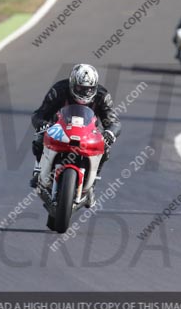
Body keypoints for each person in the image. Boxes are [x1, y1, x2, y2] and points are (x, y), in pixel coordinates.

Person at [29, 63, 121, 206]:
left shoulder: (102, 96)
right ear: (72, 84)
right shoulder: (59, 90)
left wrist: (110, 132)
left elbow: (113, 121)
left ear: (94, 87)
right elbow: (40, 113)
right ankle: (39, 170)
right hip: (60, 128)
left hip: (88, 132)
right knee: (40, 137)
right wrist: (42, 123)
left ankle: (92, 184)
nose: (84, 93)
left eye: (89, 89)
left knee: (105, 148)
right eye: (80, 88)